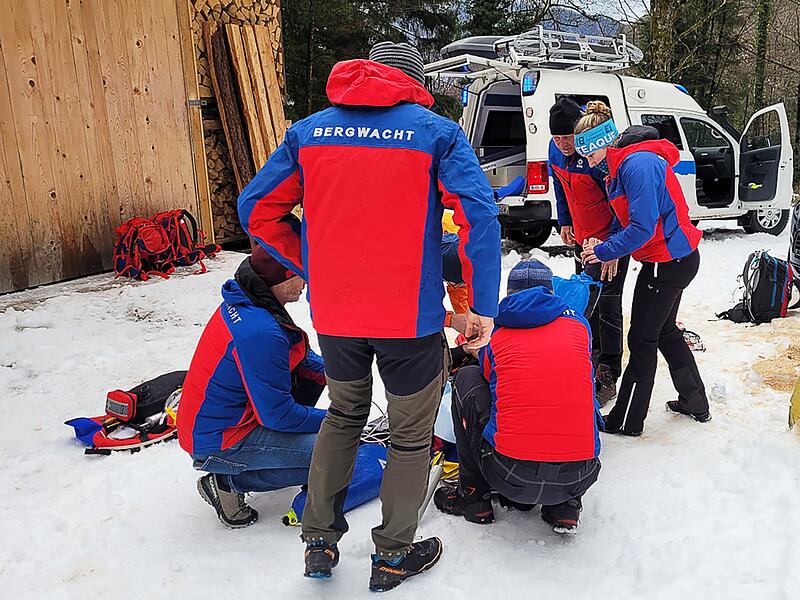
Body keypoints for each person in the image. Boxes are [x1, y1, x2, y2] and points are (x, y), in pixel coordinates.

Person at [237, 41, 501, 591]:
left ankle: (318, 541)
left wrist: (310, 261)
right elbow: (477, 214)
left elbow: (256, 209)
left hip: (337, 315)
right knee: (409, 436)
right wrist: (479, 303)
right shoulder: (435, 133)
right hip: (410, 320)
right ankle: (392, 554)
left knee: (344, 415)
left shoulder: (308, 132)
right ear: (410, 81)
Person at [434, 260, 601, 533]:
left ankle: (474, 497)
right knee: (574, 389)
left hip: (509, 473)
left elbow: (488, 375)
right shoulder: (579, 326)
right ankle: (565, 507)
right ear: (550, 292)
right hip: (580, 475)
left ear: (509, 294)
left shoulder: (500, 332)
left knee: (467, 378)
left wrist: (479, 352)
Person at [577, 101, 711, 436]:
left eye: (590, 156)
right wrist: (605, 242)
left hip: (665, 263)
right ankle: (695, 401)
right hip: (673, 259)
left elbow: (642, 227)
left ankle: (626, 421)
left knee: (641, 339)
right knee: (664, 331)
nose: (589, 164)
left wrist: (605, 252)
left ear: (603, 145)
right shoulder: (627, 164)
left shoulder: (637, 165)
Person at [176, 247, 327, 529]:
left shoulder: (252, 302)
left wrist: (335, 373)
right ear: (281, 279)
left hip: (217, 421)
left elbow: (296, 355)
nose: (305, 283)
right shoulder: (260, 332)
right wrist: (338, 420)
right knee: (334, 454)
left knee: (315, 388)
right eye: (300, 275)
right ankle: (226, 482)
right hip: (220, 438)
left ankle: (276, 457)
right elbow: (278, 416)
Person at [549, 97, 630, 405]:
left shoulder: (596, 157)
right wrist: (565, 221)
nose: (563, 144)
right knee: (586, 299)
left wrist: (612, 246)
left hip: (609, 240)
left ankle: (609, 369)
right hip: (583, 239)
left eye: (567, 137)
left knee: (608, 302)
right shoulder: (554, 151)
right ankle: (590, 357)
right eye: (556, 137)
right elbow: (559, 186)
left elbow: (618, 203)